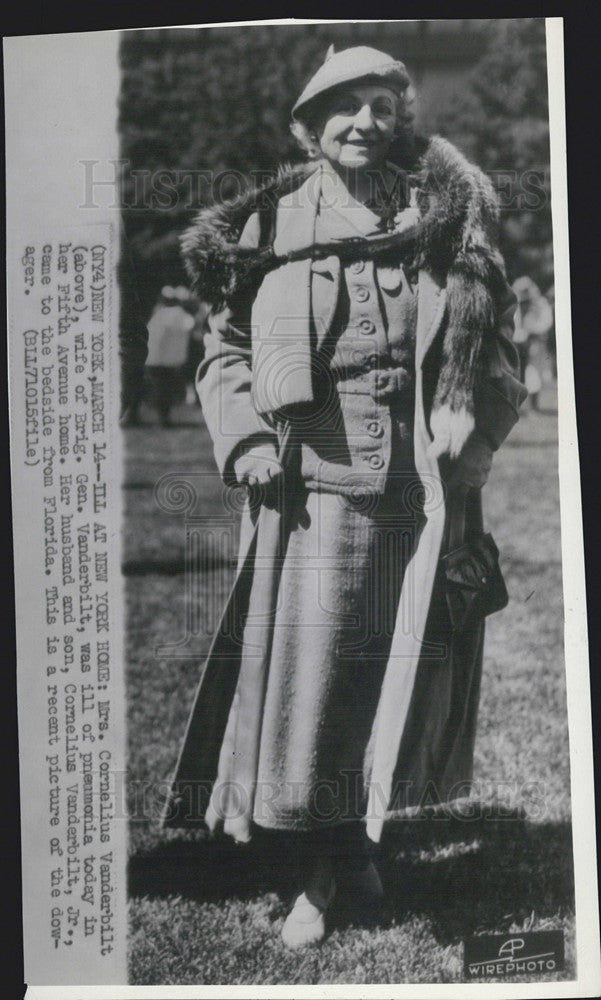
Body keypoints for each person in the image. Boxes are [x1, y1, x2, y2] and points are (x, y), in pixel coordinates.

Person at [161, 45, 526, 948]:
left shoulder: (442, 221)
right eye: (343, 106)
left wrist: (468, 437)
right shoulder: (269, 224)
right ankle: (317, 872)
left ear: (399, 120)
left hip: (418, 498)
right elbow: (225, 350)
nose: (364, 120)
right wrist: (243, 437)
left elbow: (495, 353)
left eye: (380, 105)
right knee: (311, 686)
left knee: (395, 674)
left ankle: (362, 840)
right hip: (309, 495)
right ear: (307, 125)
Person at [145, 285, 195, 425]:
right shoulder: (177, 313)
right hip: (168, 360)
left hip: (157, 359)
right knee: (164, 390)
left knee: (161, 389)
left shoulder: (161, 313)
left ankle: (163, 418)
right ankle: (164, 418)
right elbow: (190, 326)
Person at [511, 275, 554, 411]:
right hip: (517, 344)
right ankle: (516, 405)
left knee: (533, 372)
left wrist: (531, 332)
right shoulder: (515, 305)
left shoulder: (540, 304)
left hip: (535, 343)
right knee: (515, 373)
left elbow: (546, 322)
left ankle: (533, 406)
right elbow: (514, 324)